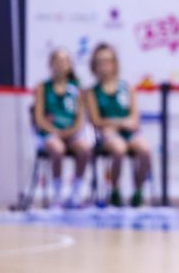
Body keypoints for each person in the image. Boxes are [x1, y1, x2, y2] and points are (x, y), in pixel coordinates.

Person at [84, 43, 151, 208]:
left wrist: (117, 123)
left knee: (145, 149)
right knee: (118, 148)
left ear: (115, 63)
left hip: (127, 132)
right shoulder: (92, 92)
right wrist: (120, 123)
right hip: (106, 135)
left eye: (108, 61)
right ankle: (114, 191)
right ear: (94, 66)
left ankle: (138, 192)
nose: (104, 65)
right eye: (100, 62)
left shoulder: (127, 88)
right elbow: (96, 121)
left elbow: (134, 119)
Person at [32, 48, 92, 208]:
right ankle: (57, 193)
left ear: (70, 65)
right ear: (51, 64)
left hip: (72, 133)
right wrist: (54, 131)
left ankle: (76, 192)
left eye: (65, 60)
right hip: (50, 133)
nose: (61, 64)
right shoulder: (43, 87)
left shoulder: (77, 87)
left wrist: (72, 131)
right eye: (57, 60)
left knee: (85, 148)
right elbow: (38, 118)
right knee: (57, 149)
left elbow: (80, 116)